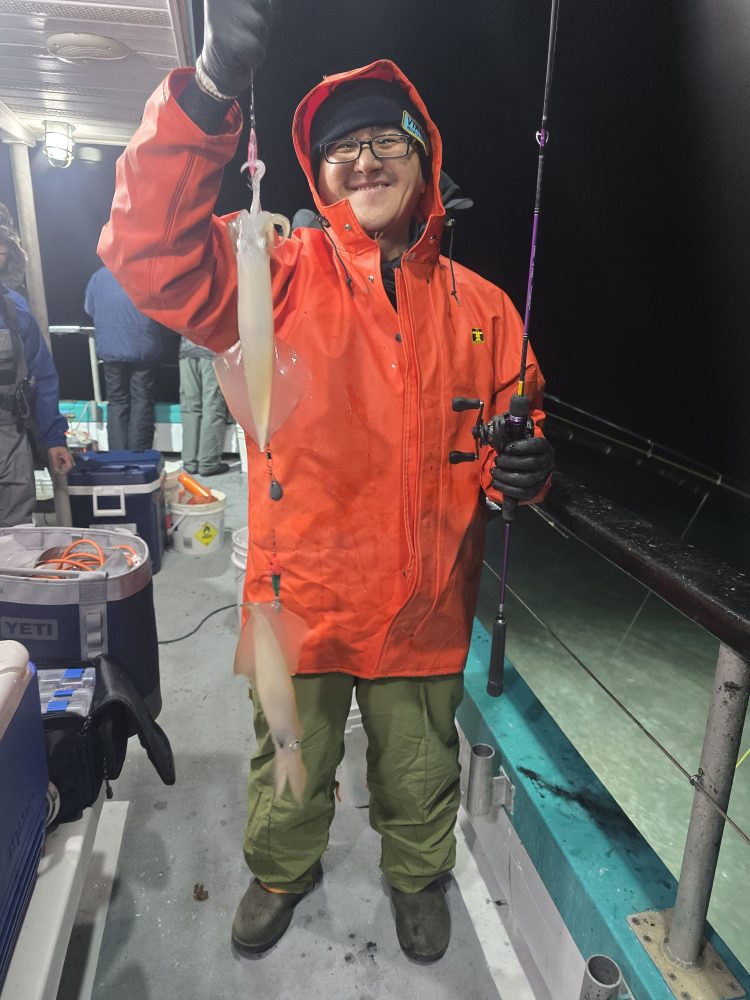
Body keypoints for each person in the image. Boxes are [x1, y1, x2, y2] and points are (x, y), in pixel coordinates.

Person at [98, 0, 554, 963]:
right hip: (295, 597)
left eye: (388, 138)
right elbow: (147, 253)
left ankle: (415, 875)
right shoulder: (274, 271)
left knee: (420, 770)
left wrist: (528, 469)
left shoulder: (488, 311)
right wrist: (210, 94)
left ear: (425, 158)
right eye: (343, 149)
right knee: (286, 767)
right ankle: (279, 870)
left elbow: (516, 437)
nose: (366, 160)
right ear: (318, 174)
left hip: (425, 611)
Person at [0, 205, 73, 528]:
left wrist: (54, 438)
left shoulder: (15, 309)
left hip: (10, 432)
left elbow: (42, 376)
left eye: (2, 249)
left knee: (15, 529)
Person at [84, 265, 164, 451]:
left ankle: (118, 454)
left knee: (117, 400)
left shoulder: (98, 276)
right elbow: (162, 310)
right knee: (142, 398)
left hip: (111, 347)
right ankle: (138, 453)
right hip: (144, 346)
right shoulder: (147, 275)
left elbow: (89, 308)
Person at [178, 336, 230, 476]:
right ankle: (208, 463)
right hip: (211, 349)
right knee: (212, 405)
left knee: (190, 407)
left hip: (186, 349)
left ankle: (190, 462)